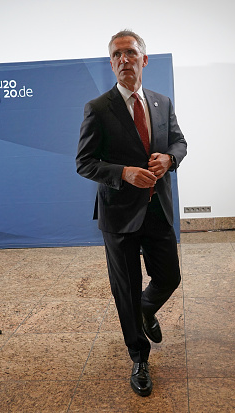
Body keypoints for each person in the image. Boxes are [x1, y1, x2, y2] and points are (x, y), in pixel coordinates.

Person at [76, 30, 187, 397]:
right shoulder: (98, 107)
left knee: (169, 277)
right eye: (117, 54)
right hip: (119, 215)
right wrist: (123, 172)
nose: (125, 59)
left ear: (144, 59)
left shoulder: (162, 102)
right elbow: (85, 163)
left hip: (158, 209)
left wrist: (170, 159)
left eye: (131, 53)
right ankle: (139, 357)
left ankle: (145, 309)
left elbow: (179, 142)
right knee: (125, 288)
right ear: (111, 63)